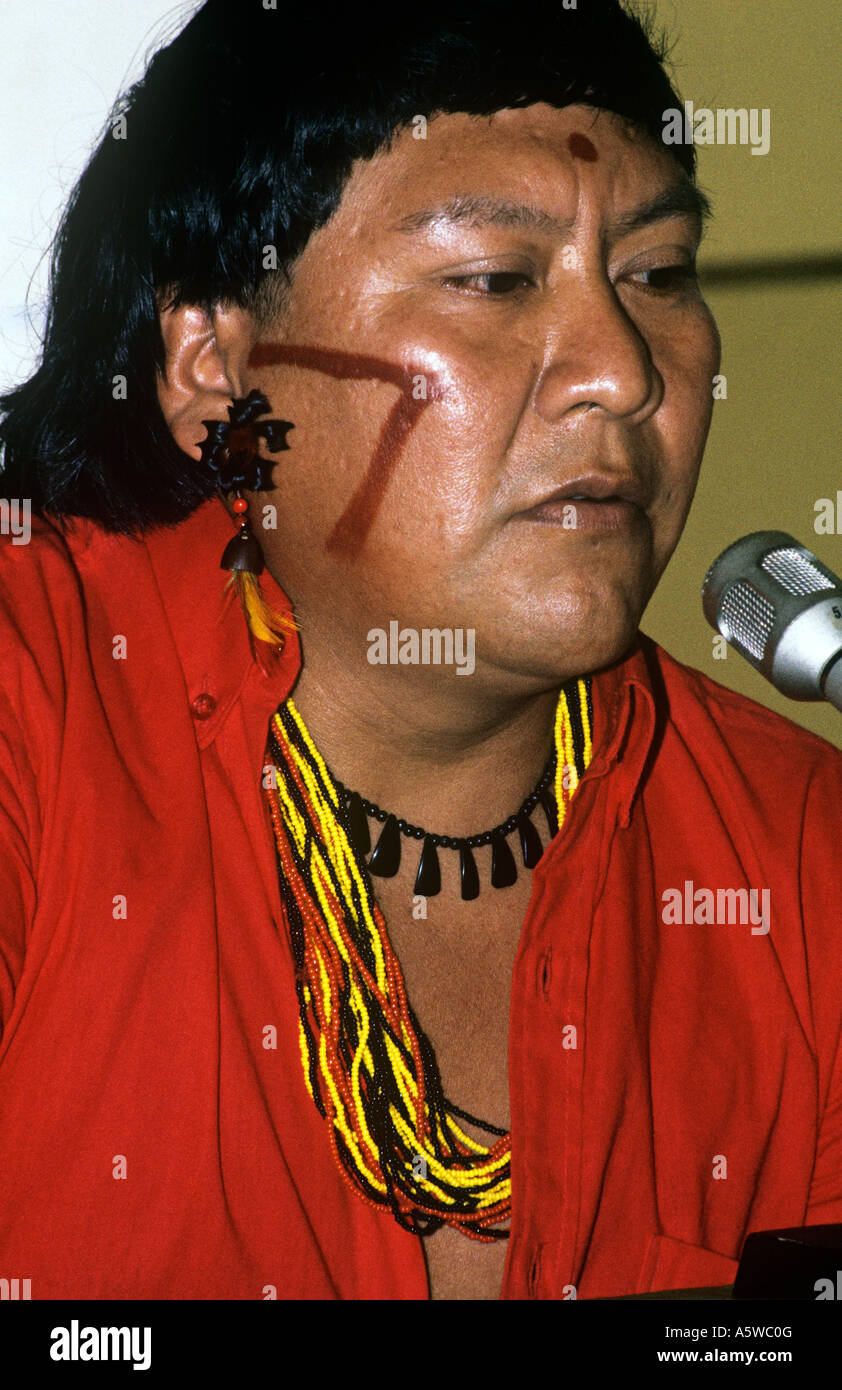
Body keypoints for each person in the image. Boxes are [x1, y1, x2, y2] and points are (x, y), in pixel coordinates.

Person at [0, 0, 840, 1303]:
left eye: (659, 275)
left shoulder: (798, 850)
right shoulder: (35, 700)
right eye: (495, 282)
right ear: (217, 366)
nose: (620, 370)